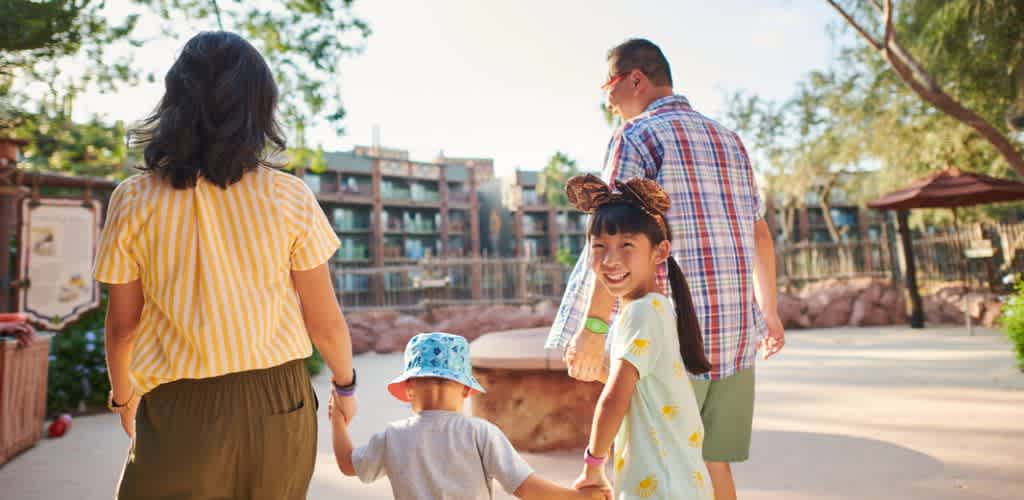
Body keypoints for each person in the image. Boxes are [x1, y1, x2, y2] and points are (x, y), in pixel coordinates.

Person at [93, 31, 355, 500]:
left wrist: (123, 396)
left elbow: (123, 327)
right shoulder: (288, 195)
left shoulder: (132, 200)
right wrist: (346, 384)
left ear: (175, 101)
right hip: (280, 399)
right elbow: (325, 320)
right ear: (258, 106)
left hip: (178, 403)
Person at [547, 38, 785, 500]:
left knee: (650, 463)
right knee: (713, 464)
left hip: (672, 337)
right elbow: (759, 233)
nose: (608, 99)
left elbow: (614, 233)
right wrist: (768, 311)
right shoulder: (729, 139)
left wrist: (593, 328)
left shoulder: (635, 136)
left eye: (608, 86)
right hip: (736, 335)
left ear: (635, 78)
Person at [564, 174, 713, 499]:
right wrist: (597, 371)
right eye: (599, 246)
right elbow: (640, 391)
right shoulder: (654, 309)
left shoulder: (642, 312)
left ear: (659, 252)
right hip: (678, 482)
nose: (611, 259)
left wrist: (593, 467)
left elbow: (614, 400)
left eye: (626, 245)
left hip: (659, 486)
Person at [328, 332, 610, 500]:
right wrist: (578, 497)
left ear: (409, 388)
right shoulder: (481, 433)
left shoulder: (392, 436)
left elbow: (348, 464)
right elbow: (527, 488)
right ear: (465, 390)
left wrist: (338, 423)